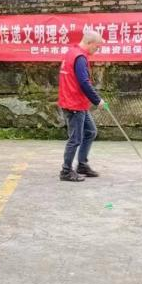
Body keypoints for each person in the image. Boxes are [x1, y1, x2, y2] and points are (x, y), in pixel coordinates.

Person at [58, 31, 107, 182]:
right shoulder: (79, 57)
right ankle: (66, 171)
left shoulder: (71, 52)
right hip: (74, 104)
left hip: (77, 102)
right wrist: (97, 100)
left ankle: (82, 165)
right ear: (90, 43)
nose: (97, 50)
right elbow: (84, 82)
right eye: (97, 47)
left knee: (90, 131)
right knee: (75, 139)